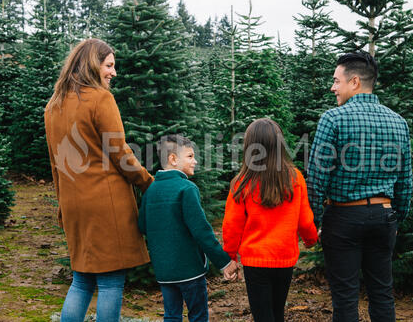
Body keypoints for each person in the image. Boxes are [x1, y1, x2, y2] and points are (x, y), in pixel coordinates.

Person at [44, 38, 154, 322]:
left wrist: (61, 204)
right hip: (106, 205)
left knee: (82, 280)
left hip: (73, 204)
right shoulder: (100, 98)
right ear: (93, 64)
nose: (113, 73)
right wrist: (147, 182)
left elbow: (56, 165)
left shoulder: (53, 105)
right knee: (110, 282)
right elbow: (121, 152)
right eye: (109, 65)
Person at [307, 51, 413, 322]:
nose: (332, 87)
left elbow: (318, 178)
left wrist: (314, 221)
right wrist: (395, 218)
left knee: (345, 296)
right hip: (384, 216)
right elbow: (405, 180)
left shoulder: (333, 119)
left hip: (343, 218)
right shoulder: (398, 122)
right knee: (382, 293)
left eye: (336, 81)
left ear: (354, 81)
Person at [222, 118, 318, 322]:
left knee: (263, 316)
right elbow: (305, 219)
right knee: (277, 311)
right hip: (284, 259)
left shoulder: (242, 182)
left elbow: (232, 225)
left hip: (255, 262)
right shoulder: (295, 178)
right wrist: (310, 240)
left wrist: (230, 257)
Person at [138, 134, 238, 322]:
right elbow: (201, 231)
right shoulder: (187, 188)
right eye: (190, 156)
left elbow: (142, 226)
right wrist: (224, 262)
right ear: (173, 159)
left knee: (172, 316)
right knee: (198, 316)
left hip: (164, 271)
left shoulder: (150, 190)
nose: (196, 161)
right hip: (190, 270)